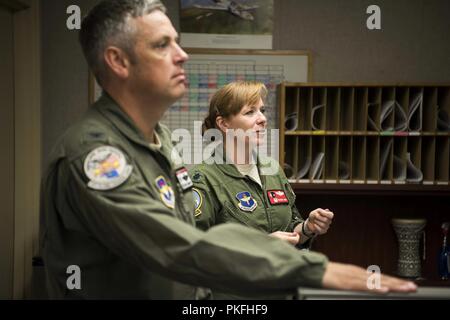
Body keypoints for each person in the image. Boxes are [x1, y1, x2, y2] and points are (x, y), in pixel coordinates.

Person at [39, 0, 417, 299]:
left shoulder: (161, 141)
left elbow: (187, 232)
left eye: (176, 41)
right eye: (161, 44)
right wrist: (313, 269)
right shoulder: (97, 157)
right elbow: (176, 246)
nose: (181, 54)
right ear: (118, 61)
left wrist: (304, 231)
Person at [189, 81, 334, 299]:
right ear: (224, 124)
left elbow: (289, 232)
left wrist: (307, 227)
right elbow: (196, 251)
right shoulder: (204, 178)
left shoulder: (272, 169)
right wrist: (260, 246)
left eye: (262, 110)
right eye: (250, 112)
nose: (263, 119)